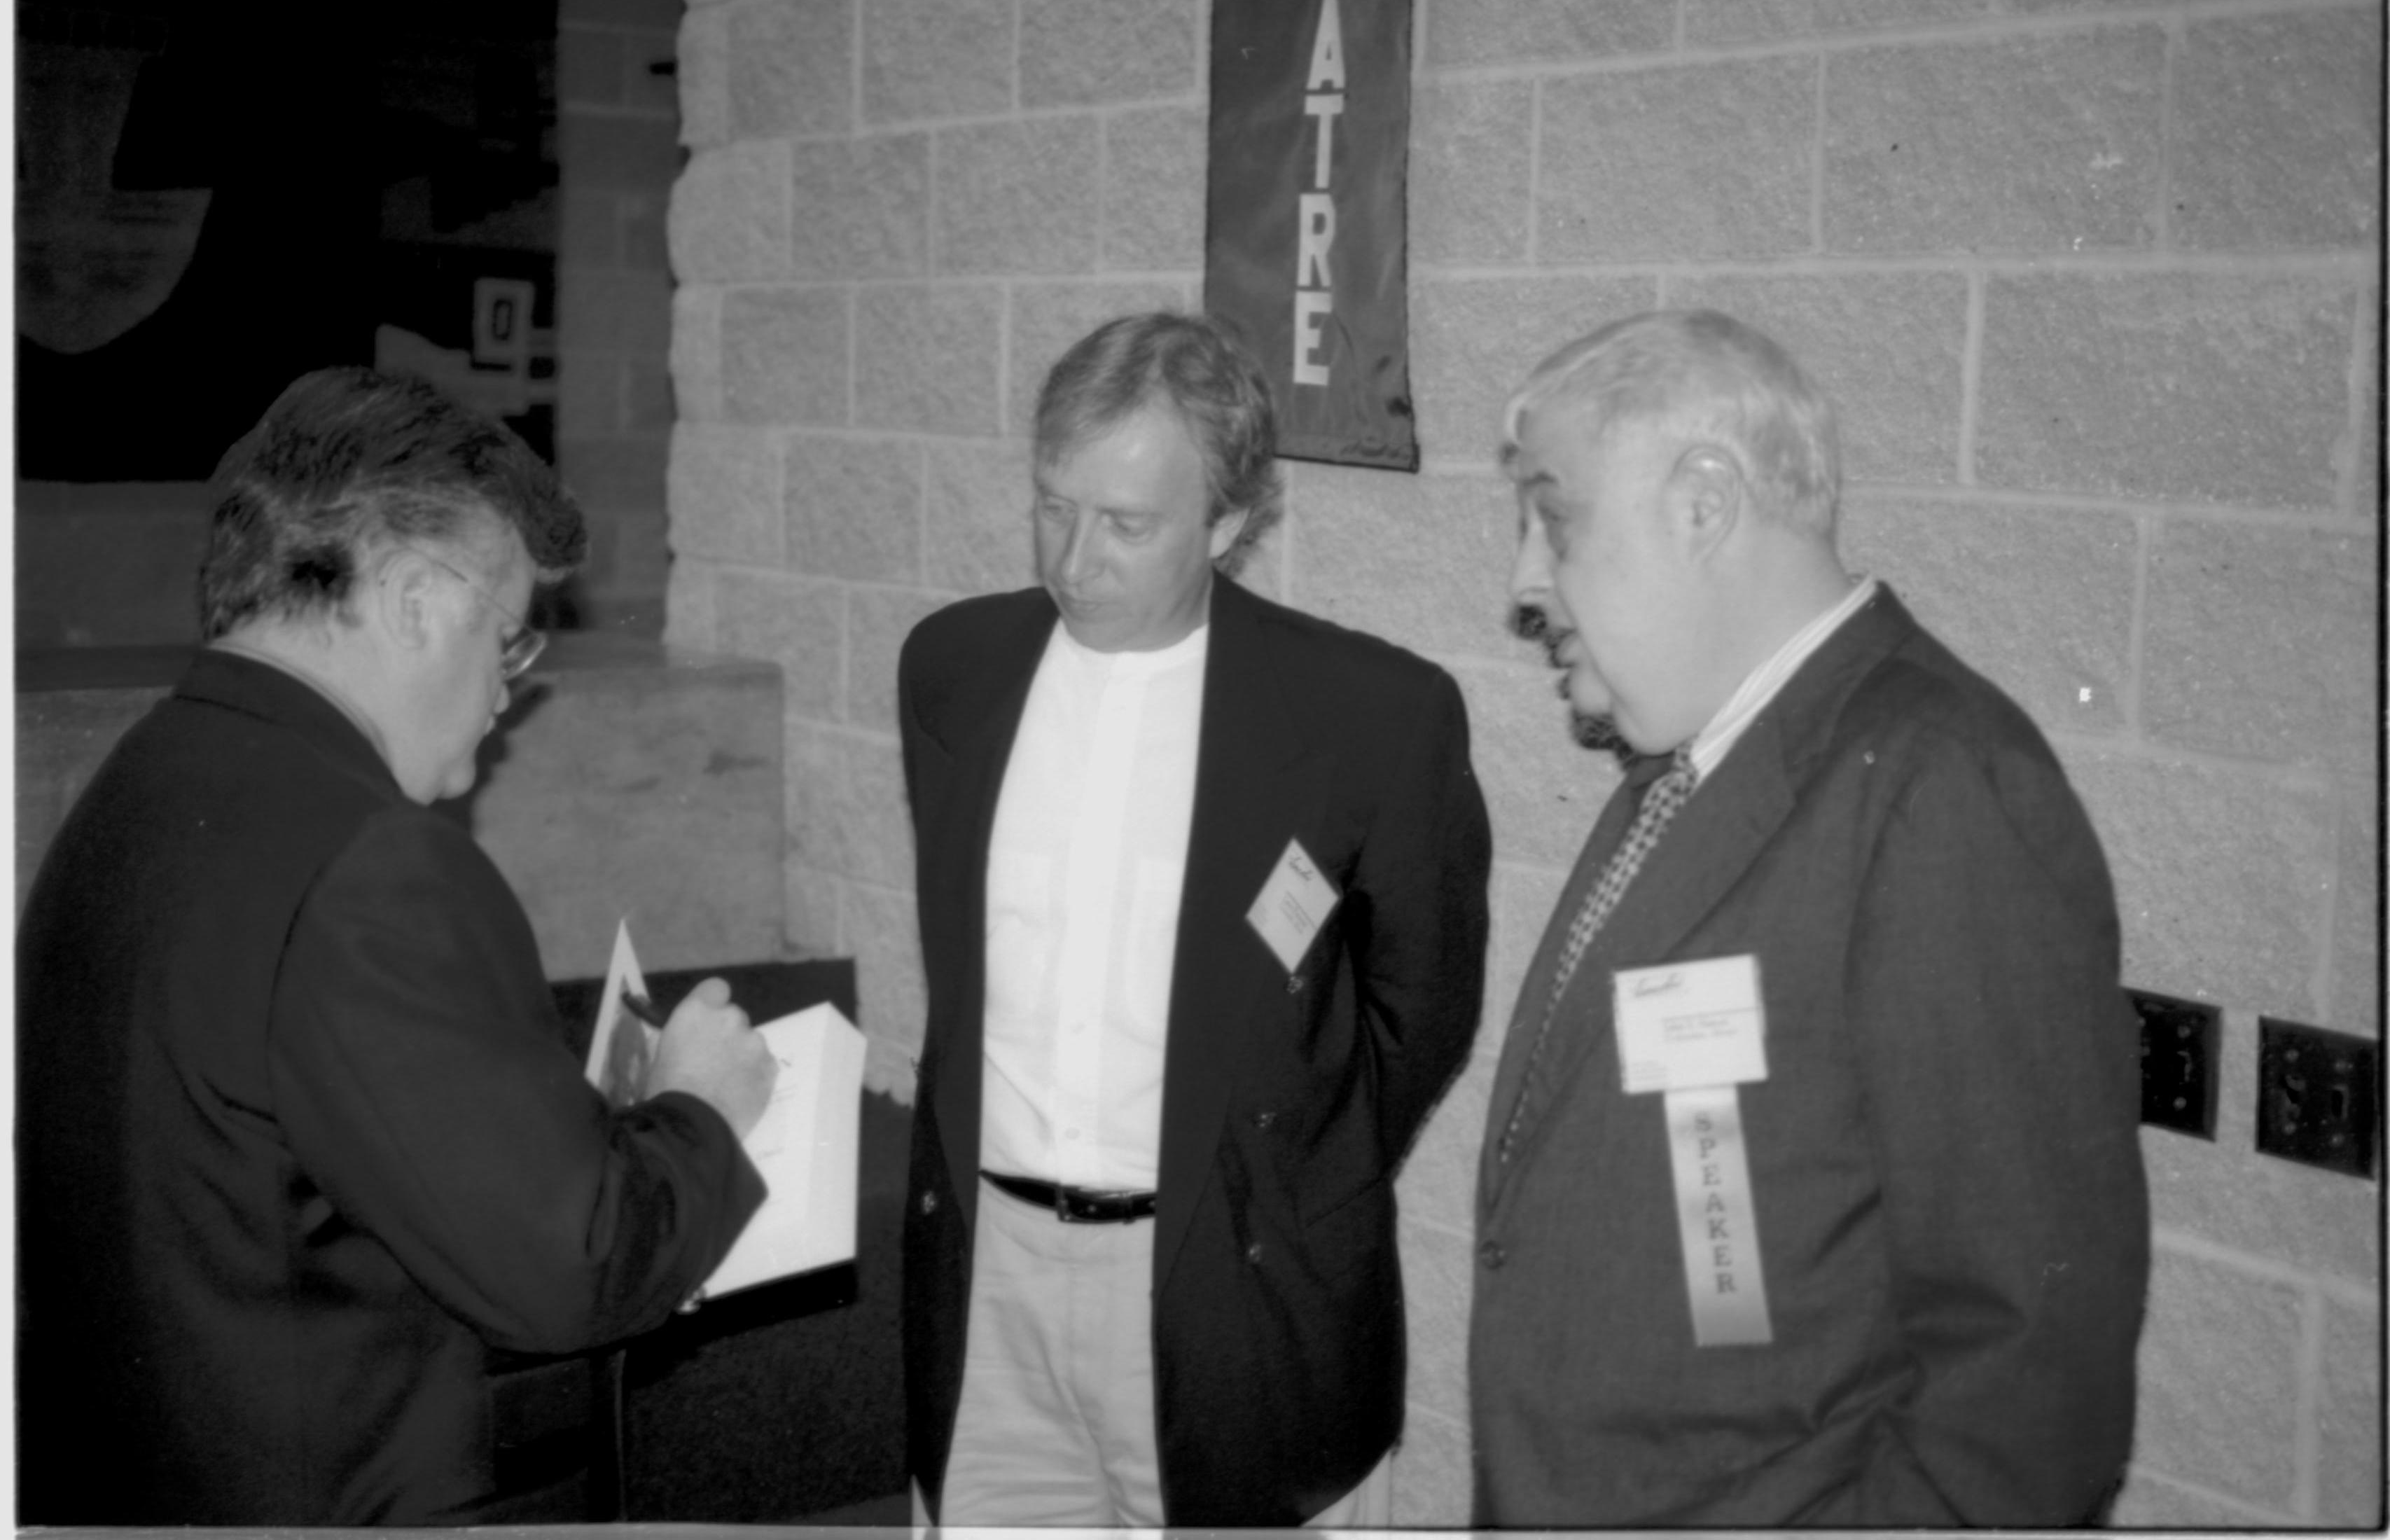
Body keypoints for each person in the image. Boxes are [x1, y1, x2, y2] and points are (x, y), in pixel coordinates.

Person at [17, 367, 781, 1526]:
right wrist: (701, 1110)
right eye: (511, 641)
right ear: (422, 601)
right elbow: (573, 1269)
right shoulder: (372, 865)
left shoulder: (135, 788)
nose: (505, 694)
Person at [1471, 310, 2150, 1526]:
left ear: (1704, 502)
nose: (1524, 581)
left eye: (1551, 516)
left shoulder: (1938, 785)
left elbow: (2024, 1370)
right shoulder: (1696, 765)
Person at [898, 312, 1492, 1526]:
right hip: (989, 1279)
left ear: (1230, 524)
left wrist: (1283, 1170)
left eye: (1126, 525)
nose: (1073, 558)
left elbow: (1417, 1007)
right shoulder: (952, 667)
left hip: (1237, 1284)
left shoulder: (1371, 715)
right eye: (1053, 505)